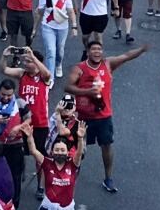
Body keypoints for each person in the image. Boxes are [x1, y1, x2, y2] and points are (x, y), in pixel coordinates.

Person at [63, 38, 148, 194]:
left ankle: (108, 178)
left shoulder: (108, 64)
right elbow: (68, 87)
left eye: (99, 49)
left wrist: (142, 49)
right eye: (93, 49)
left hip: (103, 116)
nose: (97, 52)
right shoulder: (80, 69)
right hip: (83, 117)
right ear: (88, 52)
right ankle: (71, 176)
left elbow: (127, 56)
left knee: (107, 146)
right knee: (76, 149)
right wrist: (87, 92)